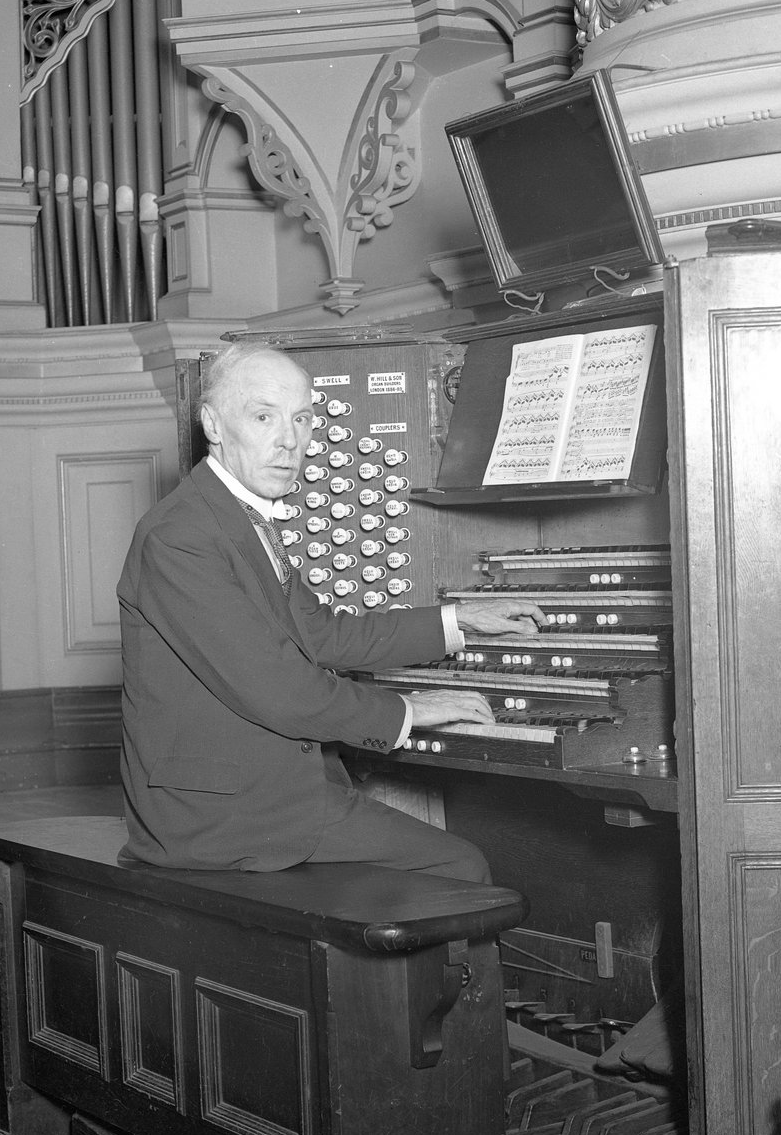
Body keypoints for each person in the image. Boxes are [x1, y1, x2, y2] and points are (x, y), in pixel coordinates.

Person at [117, 344, 547, 881]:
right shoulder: (181, 536)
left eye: (301, 418)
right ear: (212, 423)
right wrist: (409, 710)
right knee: (458, 865)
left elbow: (320, 634)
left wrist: (458, 620)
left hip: (264, 788)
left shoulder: (238, 515)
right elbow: (280, 691)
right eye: (263, 416)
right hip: (221, 814)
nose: (289, 441)